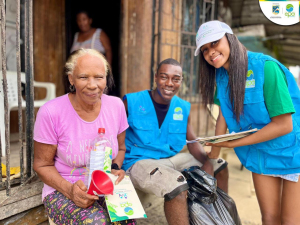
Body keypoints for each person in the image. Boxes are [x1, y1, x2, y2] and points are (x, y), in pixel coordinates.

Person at [194, 20, 300, 225]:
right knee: (269, 218)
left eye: (215, 43)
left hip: (292, 152)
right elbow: (225, 112)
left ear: (230, 39)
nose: (211, 52)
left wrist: (231, 144)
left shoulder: (265, 67)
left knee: (290, 221)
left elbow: (284, 124)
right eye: (205, 49)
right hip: (260, 153)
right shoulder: (221, 76)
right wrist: (214, 153)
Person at [33, 49, 135, 225]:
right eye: (83, 77)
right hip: (64, 188)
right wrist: (70, 190)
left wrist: (115, 168)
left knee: (126, 217)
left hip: (104, 183)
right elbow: (42, 164)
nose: (93, 85)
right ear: (71, 79)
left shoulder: (116, 106)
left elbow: (122, 148)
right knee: (97, 222)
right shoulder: (51, 112)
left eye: (99, 77)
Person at [122, 58, 229, 225]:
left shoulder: (183, 107)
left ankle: (217, 219)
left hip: (170, 160)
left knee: (219, 164)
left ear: (181, 81)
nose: (169, 83)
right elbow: (112, 136)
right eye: (164, 77)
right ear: (156, 77)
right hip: (138, 162)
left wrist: (207, 161)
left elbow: (192, 142)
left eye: (176, 78)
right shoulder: (132, 102)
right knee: (176, 184)